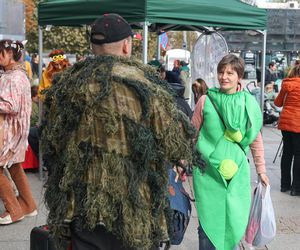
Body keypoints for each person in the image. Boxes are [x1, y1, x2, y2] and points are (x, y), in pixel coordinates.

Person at [40, 13, 195, 250]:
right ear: (126, 45)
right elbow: (175, 143)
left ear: (93, 46)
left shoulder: (67, 85)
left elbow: (50, 142)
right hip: (135, 210)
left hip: (82, 207)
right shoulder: (145, 84)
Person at [192, 54, 269, 250]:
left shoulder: (248, 104)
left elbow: (255, 139)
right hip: (207, 174)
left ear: (239, 76)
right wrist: (182, 163)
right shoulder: (205, 101)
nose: (224, 77)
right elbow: (191, 135)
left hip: (237, 175)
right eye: (221, 72)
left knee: (234, 221)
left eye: (230, 73)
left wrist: (261, 170)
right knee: (208, 222)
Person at [0, 39, 37, 225]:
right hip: (15, 130)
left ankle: (14, 210)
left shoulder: (12, 77)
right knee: (14, 167)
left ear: (11, 55)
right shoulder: (17, 75)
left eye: (2, 53)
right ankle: (29, 205)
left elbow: (11, 105)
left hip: (8, 131)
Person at [274, 65, 300, 196]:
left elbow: (278, 103)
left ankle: (284, 185)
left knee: (287, 154)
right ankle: (296, 188)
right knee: (298, 155)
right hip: (298, 124)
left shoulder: (287, 84)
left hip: (286, 123)